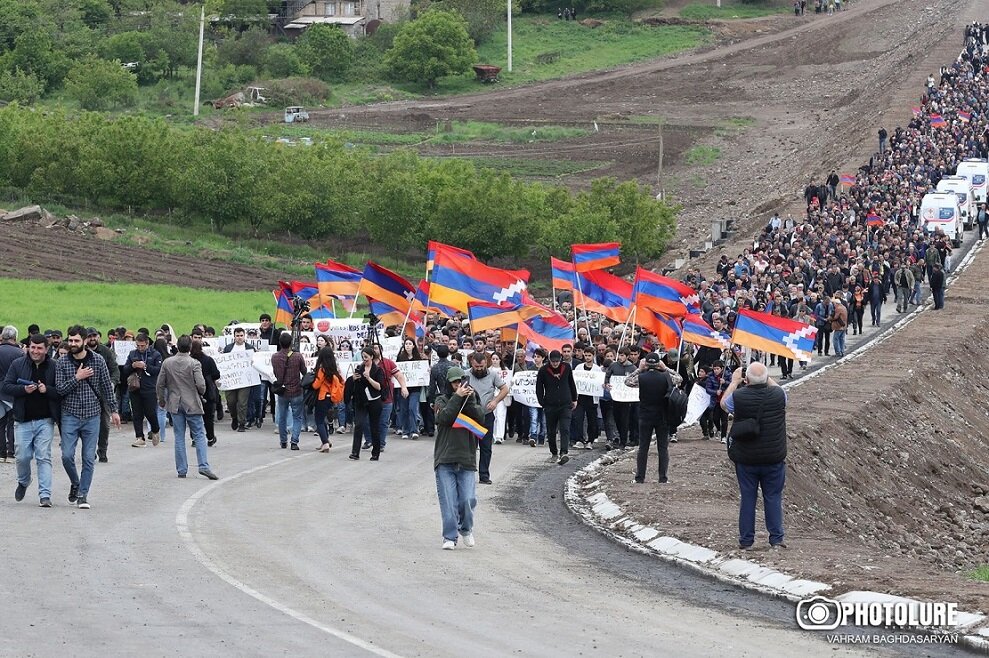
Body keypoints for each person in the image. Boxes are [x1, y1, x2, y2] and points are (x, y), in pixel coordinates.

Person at [720, 361, 788, 549]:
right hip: (773, 456)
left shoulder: (739, 396)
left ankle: (746, 540)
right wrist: (765, 377)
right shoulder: (778, 396)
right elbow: (781, 392)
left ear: (746, 379)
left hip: (746, 458)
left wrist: (734, 382)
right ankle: (776, 538)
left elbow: (724, 405)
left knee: (748, 498)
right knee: (773, 497)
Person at [55, 325, 121, 509]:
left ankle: (83, 494)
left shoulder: (98, 360)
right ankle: (75, 483)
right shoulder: (62, 362)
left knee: (88, 458)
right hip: (70, 414)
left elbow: (107, 388)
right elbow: (59, 390)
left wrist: (114, 411)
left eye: (76, 340)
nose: (73, 343)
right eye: (70, 340)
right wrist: (77, 377)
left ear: (85, 341)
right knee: (67, 456)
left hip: (93, 415)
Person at [2, 334, 60, 506]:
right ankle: (24, 481)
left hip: (45, 420)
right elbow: (7, 386)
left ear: (46, 349)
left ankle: (45, 495)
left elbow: (60, 392)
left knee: (44, 457)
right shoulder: (18, 364)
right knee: (22, 457)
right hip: (22, 419)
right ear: (28, 347)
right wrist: (23, 390)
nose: (35, 351)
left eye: (39, 348)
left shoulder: (54, 366)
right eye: (32, 347)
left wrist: (46, 390)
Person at [434, 366, 484, 550]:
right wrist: (457, 397)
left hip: (466, 458)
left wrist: (469, 399)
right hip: (445, 458)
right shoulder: (441, 399)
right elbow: (444, 417)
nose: (458, 385)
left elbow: (481, 418)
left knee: (467, 500)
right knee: (448, 502)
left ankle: (466, 529)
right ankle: (449, 537)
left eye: (460, 381)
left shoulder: (473, 397)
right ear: (449, 384)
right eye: (454, 382)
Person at [157, 335, 218, 480]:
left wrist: (161, 399)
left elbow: (160, 383)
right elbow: (201, 385)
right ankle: (203, 465)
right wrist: (200, 393)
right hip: (191, 402)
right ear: (190, 347)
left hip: (175, 402)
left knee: (179, 436)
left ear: (177, 346)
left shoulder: (167, 362)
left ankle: (182, 469)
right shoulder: (194, 363)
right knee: (199, 434)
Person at [625, 352, 674, 484]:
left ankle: (640, 477)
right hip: (662, 415)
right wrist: (665, 368)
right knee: (663, 448)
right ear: (658, 363)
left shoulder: (641, 377)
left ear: (645, 363)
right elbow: (679, 378)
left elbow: (627, 381)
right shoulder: (665, 376)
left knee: (643, 448)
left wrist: (639, 369)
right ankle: (663, 478)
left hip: (645, 415)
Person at [466, 351, 509, 484]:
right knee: (469, 447)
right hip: (470, 416)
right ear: (472, 364)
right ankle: (468, 475)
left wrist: (495, 401)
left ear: (486, 364)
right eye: (476, 367)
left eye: (481, 367)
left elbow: (504, 389)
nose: (479, 369)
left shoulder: (493, 374)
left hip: (486, 416)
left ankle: (484, 475)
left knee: (486, 447)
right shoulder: (466, 374)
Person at [535, 349, 577, 466]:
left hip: (565, 404)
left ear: (560, 360)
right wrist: (542, 402)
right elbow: (539, 387)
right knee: (551, 431)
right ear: (549, 360)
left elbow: (571, 383)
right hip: (550, 405)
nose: (555, 364)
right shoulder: (543, 370)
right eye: (553, 361)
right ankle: (554, 452)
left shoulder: (566, 367)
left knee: (565, 429)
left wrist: (574, 398)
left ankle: (564, 452)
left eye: (557, 361)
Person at [121, 333, 163, 448]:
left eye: (142, 346)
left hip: (149, 387)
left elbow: (158, 370)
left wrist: (145, 366)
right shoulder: (132, 354)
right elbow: (125, 369)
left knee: (150, 413)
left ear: (147, 344)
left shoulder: (155, 354)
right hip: (135, 388)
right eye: (138, 345)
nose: (140, 348)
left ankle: (155, 430)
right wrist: (133, 366)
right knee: (137, 414)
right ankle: (139, 437)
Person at [86, 328, 119, 462]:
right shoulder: (81, 352)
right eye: (89, 336)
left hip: (103, 394)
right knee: (88, 425)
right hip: (86, 394)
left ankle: (102, 450)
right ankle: (89, 450)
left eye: (94, 336)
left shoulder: (106, 352)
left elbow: (115, 370)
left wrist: (111, 383)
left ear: (98, 337)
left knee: (104, 425)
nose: (92, 338)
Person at [348, 346, 386, 461]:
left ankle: (375, 453)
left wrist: (369, 378)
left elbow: (379, 386)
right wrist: (353, 379)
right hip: (361, 401)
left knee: (374, 427)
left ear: (372, 357)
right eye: (363, 357)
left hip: (375, 400)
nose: (364, 359)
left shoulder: (378, 370)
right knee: (359, 424)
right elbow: (353, 385)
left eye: (366, 357)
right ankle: (355, 452)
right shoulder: (359, 368)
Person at [271, 331, 307, 450]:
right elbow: (304, 372)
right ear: (291, 343)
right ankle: (294, 441)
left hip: (282, 390)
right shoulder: (297, 356)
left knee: (282, 416)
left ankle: (283, 441)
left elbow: (276, 373)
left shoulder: (275, 357)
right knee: (297, 416)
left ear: (280, 343)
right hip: (296, 390)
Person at [190, 333, 221, 447]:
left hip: (192, 392)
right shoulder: (208, 360)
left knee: (193, 417)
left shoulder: (189, 361)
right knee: (208, 417)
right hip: (208, 392)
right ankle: (210, 437)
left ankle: (194, 438)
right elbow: (216, 375)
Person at [222, 326, 256, 432]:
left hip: (245, 380)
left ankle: (242, 423)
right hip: (231, 380)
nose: (240, 338)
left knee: (242, 402)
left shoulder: (250, 348)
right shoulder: (228, 348)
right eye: (237, 336)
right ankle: (234, 418)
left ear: (244, 336)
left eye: (241, 336)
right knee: (231, 401)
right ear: (234, 337)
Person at [311, 346, 344, 453]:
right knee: (323, 419)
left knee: (319, 420)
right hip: (331, 398)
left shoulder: (322, 369)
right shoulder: (334, 370)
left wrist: (312, 381)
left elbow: (316, 385)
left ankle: (325, 443)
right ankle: (325, 440)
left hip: (322, 397)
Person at [0, 325, 23, 463]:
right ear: (15, 338)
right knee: (12, 422)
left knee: (0, 422)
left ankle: (1, 453)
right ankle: (11, 452)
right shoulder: (20, 353)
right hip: (14, 391)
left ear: (2, 337)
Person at [396, 339, 424, 440]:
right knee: (404, 409)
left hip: (415, 388)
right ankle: (405, 430)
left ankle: (414, 430)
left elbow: (422, 371)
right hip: (403, 388)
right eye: (406, 344)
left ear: (413, 346)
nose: (407, 346)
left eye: (410, 344)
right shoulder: (400, 358)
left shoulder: (418, 358)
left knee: (412, 408)